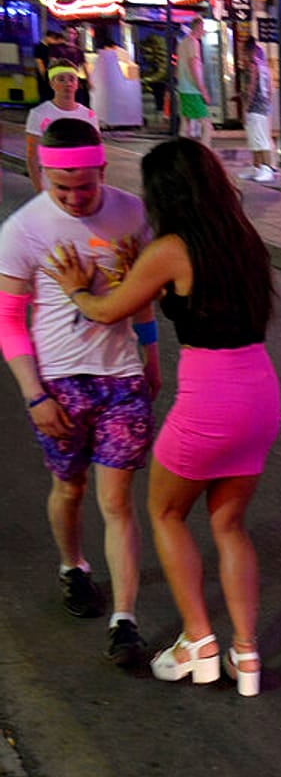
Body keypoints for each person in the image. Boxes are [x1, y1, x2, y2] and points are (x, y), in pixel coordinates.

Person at [44, 138, 279, 697]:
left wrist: (77, 287)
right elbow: (174, 294)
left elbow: (106, 310)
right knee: (229, 525)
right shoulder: (241, 236)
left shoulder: (173, 245)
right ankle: (246, 655)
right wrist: (141, 274)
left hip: (208, 401)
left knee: (166, 513)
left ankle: (198, 639)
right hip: (260, 395)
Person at [0, 119, 157, 666]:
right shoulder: (22, 230)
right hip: (59, 384)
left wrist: (151, 353)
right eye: (58, 185)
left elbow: (143, 295)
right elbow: (9, 321)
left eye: (83, 186)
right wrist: (33, 395)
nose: (71, 197)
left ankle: (125, 620)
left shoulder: (131, 212)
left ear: (102, 169)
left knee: (116, 502)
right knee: (68, 489)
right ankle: (73, 567)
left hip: (121, 380)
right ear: (42, 171)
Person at [26, 59, 99, 193]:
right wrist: (39, 189)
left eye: (72, 79)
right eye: (61, 79)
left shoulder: (89, 115)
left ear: (77, 83)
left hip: (84, 186)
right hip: (52, 187)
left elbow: (96, 152)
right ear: (51, 84)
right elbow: (32, 157)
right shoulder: (39, 114)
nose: (68, 83)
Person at [242, 40, 276, 182]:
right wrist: (267, 103)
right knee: (257, 139)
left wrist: (245, 107)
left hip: (255, 107)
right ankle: (257, 168)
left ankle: (266, 168)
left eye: (244, 52)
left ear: (250, 51)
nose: (242, 55)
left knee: (259, 139)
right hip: (262, 107)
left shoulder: (253, 66)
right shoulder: (264, 67)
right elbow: (271, 89)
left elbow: (251, 87)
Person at [176, 17, 213, 140]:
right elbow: (194, 65)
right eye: (203, 29)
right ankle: (205, 153)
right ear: (199, 27)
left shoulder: (182, 43)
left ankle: (182, 152)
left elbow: (177, 69)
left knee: (184, 123)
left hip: (182, 88)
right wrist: (203, 90)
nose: (204, 32)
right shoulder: (193, 43)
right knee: (207, 125)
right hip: (193, 90)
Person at [33, 29, 63, 94]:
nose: (54, 42)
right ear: (48, 37)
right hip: (45, 76)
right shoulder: (39, 47)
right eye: (54, 39)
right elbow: (40, 63)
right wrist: (44, 77)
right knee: (45, 95)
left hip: (51, 75)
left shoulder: (50, 47)